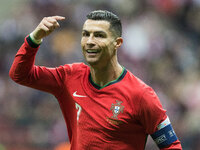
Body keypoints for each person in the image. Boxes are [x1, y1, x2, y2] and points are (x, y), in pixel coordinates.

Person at [9, 10, 182, 149]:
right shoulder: (69, 76)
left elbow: (171, 145)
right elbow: (20, 74)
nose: (89, 41)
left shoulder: (141, 95)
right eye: (86, 34)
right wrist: (34, 38)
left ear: (117, 42)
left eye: (99, 35)